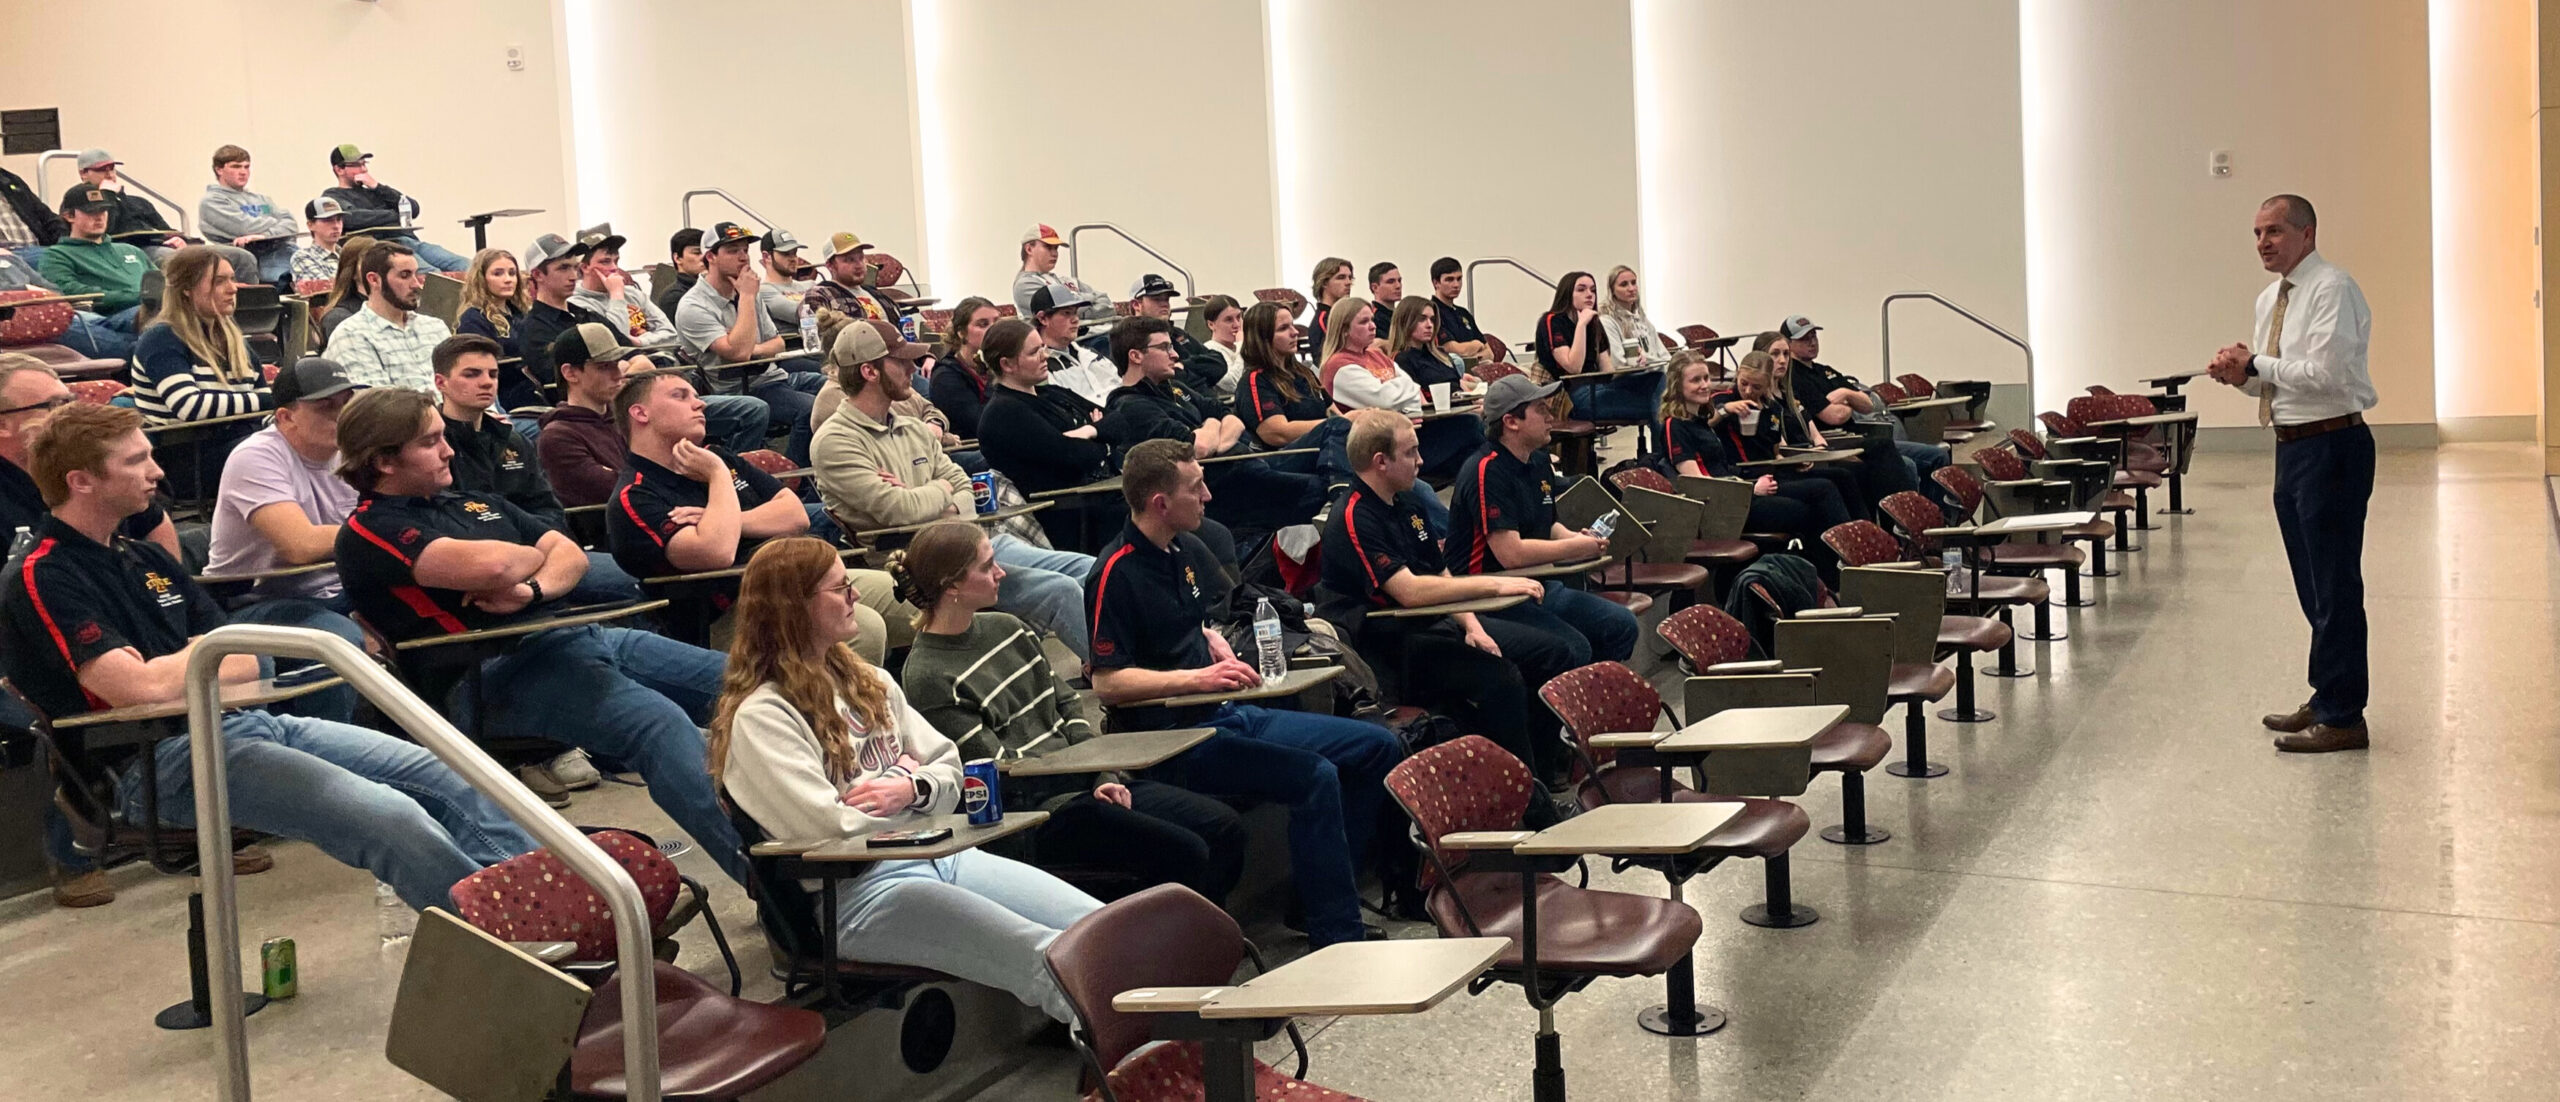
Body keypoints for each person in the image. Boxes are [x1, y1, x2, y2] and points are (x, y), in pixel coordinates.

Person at [2, 400, 537, 910]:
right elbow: (132, 689)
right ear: (81, 481)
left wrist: (188, 664)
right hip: (152, 763)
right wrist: (199, 661)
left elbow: (245, 658)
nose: (156, 471)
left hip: (244, 724)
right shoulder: (42, 574)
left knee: (449, 769)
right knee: (390, 816)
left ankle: (550, 900)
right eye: (137, 459)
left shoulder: (143, 556)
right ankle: (507, 936)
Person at [333, 386, 749, 880]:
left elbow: (569, 553)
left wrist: (529, 588)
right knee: (659, 728)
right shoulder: (368, 530)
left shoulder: (471, 503)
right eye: (430, 442)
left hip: (571, 634)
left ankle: (841, 836)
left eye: (444, 437)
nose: (448, 450)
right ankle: (783, 899)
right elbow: (496, 562)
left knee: (754, 681)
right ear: (383, 461)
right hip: (491, 672)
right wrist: (524, 558)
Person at [709, 536, 1103, 1021]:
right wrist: (911, 777)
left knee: (1098, 928)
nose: (855, 596)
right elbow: (829, 829)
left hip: (945, 855)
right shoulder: (763, 717)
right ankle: (1147, 1067)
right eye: (840, 589)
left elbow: (950, 768)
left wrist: (908, 787)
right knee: (1046, 956)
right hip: (860, 895)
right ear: (794, 608)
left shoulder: (870, 681)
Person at [1085, 440, 1402, 946]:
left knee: (1377, 745)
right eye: (1196, 488)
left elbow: (1202, 615)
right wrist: (1197, 679)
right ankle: (1335, 932)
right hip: (1170, 738)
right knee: (1315, 775)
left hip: (1225, 713)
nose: (1208, 495)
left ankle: (1313, 897)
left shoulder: (1188, 546)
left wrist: (1208, 636)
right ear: (1159, 503)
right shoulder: (1114, 572)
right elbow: (1108, 683)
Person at [891, 521, 1246, 903]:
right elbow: (995, 770)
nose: (1002, 572)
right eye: (987, 566)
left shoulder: (1008, 628)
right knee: (1185, 850)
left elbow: (1067, 705)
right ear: (953, 586)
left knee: (1224, 826)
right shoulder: (928, 673)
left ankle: (1196, 944)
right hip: (1040, 814)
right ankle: (1178, 952)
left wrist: (1100, 776)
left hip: (1085, 784)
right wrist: (1083, 785)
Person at [1314, 406, 1574, 802]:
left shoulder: (1409, 502)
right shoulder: (1353, 515)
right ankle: (1529, 803)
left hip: (1432, 626)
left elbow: (1442, 573)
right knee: (1500, 678)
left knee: (1551, 650)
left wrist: (1473, 626)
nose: (1422, 460)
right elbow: (1411, 592)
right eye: (1411, 452)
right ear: (1380, 462)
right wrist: (1491, 588)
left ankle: (1544, 770)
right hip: (1387, 647)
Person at [0, 358, 183, 907]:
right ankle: (77, 840)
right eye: (49, 406)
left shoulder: (102, 471)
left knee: (152, 666)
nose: (65, 413)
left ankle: (209, 813)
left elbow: (159, 539)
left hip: (102, 624)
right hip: (16, 642)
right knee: (58, 692)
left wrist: (160, 618)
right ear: (3, 423)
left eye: (68, 401)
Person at [810, 319, 1097, 660]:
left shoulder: (911, 429)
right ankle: (1122, 681)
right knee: (1059, 590)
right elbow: (900, 510)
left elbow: (965, 490)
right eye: (900, 362)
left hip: (970, 542)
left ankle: (1150, 661)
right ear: (870, 372)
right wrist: (942, 490)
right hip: (920, 563)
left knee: (1092, 569)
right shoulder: (834, 441)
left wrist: (933, 494)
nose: (913, 368)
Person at [2206, 193, 2376, 754]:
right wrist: (2241, 375)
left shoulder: (2333, 289)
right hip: (2293, 447)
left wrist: (2257, 363)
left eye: (2274, 231)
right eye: (2256, 233)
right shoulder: (2270, 299)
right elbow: (2278, 380)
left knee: (2335, 583)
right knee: (2313, 585)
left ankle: (2346, 715)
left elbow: (2325, 376)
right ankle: (2327, 694)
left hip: (2333, 444)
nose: (2263, 243)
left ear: (2307, 234)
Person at [603, 368, 912, 660]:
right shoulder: (636, 496)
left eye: (695, 395)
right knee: (866, 629)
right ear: (640, 413)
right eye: (680, 396)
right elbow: (717, 552)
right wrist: (718, 477)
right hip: (733, 613)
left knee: (914, 596)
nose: (699, 404)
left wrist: (722, 521)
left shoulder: (717, 455)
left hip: (797, 579)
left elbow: (795, 515)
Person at [1443, 377, 1640, 670]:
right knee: (1573, 647)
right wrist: (1574, 548)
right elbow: (1511, 554)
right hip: (1489, 594)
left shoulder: (1537, 462)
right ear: (1511, 421)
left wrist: (1577, 539)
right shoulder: (1486, 470)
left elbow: (1548, 526)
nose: (1551, 417)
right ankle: (1562, 705)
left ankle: (1586, 699)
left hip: (1535, 585)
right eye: (1540, 410)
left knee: (1622, 625)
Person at [525, 232, 769, 454]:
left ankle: (732, 478)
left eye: (574, 267)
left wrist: (626, 368)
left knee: (752, 410)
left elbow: (637, 354)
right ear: (538, 275)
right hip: (614, 411)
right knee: (744, 410)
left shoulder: (584, 313)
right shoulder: (534, 329)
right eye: (563, 268)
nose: (572, 275)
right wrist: (628, 368)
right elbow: (564, 386)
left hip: (647, 395)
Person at [1098, 316, 1327, 541]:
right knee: (1322, 489)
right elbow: (1198, 448)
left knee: (1335, 432)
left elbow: (1232, 419)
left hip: (1250, 462)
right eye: (1165, 347)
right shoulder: (1130, 406)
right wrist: (1213, 426)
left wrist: (1212, 429)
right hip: (1220, 486)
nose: (1175, 355)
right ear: (1136, 355)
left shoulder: (1175, 388)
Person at [1657, 351, 1846, 577]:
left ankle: (1831, 573)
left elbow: (1723, 470)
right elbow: (1697, 484)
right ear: (1678, 386)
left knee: (1824, 489)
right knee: (1804, 511)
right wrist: (1750, 488)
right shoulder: (1675, 425)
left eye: (1706, 378)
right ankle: (1827, 576)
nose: (1704, 385)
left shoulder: (1699, 421)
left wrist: (1752, 482)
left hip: (1737, 494)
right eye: (1695, 380)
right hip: (1720, 510)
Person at [673, 221, 827, 464]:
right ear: (710, 257)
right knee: (810, 409)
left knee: (836, 388)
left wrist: (751, 348)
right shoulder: (693, 306)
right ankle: (792, 482)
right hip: (740, 387)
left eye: (745, 250)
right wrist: (746, 297)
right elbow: (737, 353)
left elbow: (777, 343)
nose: (743, 257)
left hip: (773, 376)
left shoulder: (748, 292)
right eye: (733, 251)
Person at [974, 318, 1119, 549]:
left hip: (1097, 498)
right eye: (1034, 352)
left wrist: (1088, 431)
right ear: (1007, 364)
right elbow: (1073, 457)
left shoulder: (1051, 393)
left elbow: (1117, 419)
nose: (1046, 356)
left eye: (1043, 347)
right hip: (1065, 517)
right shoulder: (1003, 413)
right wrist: (1103, 441)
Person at [1777, 314, 1950, 509]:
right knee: (1906, 465)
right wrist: (1851, 401)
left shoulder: (1825, 371)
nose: (1812, 342)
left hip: (1861, 436)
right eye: (1804, 339)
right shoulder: (1796, 377)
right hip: (1839, 443)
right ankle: (1908, 523)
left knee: (1938, 455)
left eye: (1814, 336)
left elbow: (1868, 405)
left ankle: (1933, 517)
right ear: (1789, 344)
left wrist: (1844, 394)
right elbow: (1834, 416)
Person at [1320, 297, 1481, 482]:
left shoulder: (1376, 355)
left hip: (1408, 433)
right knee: (1471, 429)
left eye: (1372, 320)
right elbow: (1384, 399)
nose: (1373, 326)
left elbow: (1412, 391)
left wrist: (1398, 393)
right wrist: (1402, 391)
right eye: (1364, 322)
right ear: (1344, 329)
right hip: (1380, 448)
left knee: (1472, 445)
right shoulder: (1338, 365)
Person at [1710, 351, 1870, 520]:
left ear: (1767, 384)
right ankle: (1838, 542)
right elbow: (1705, 422)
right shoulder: (1723, 400)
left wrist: (1793, 462)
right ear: (1738, 375)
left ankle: (1864, 533)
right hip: (1749, 474)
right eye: (1744, 383)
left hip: (1774, 471)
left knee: (1844, 476)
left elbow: (1776, 452)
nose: (1748, 391)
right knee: (1824, 488)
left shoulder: (1773, 408)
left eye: (1756, 387)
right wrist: (1726, 410)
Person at [129, 245, 271, 426]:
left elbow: (265, 406)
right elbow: (189, 406)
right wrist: (271, 401)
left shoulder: (235, 340)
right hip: (189, 447)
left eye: (232, 279)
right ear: (187, 289)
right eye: (219, 281)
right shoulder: (161, 339)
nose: (233, 288)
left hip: (239, 440)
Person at [1534, 270, 1659, 436]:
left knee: (1657, 378)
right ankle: (1664, 456)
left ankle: (1662, 455)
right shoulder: (1552, 320)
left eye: (1593, 290)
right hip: (1573, 396)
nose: (1589, 295)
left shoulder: (1595, 323)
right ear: (1567, 293)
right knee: (1660, 408)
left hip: (1600, 388)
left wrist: (1635, 365)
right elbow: (1573, 367)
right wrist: (1581, 325)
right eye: (1581, 289)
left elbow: (1607, 371)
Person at [535, 323, 647, 507]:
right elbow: (616, 490)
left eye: (617, 364)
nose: (618, 375)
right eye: (604, 367)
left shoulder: (626, 419)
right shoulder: (558, 437)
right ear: (570, 373)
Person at [324, 242, 451, 392]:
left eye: (416, 274)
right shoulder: (350, 335)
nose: (415, 284)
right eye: (405, 275)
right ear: (374, 280)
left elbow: (462, 386)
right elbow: (380, 407)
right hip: (409, 415)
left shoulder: (435, 327)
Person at [320, 143, 467, 271]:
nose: (364, 169)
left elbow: (412, 209)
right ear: (339, 169)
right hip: (383, 248)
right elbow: (352, 218)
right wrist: (394, 215)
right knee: (431, 274)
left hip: (408, 240)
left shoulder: (376, 191)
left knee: (465, 265)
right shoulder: (333, 195)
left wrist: (377, 186)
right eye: (357, 165)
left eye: (364, 164)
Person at [35, 189, 148, 333]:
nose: (99, 217)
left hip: (153, 310)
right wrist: (137, 297)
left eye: (103, 211)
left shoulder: (130, 250)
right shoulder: (56, 255)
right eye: (91, 212)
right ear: (69, 216)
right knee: (161, 318)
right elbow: (70, 292)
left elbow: (161, 281)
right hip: (110, 318)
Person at [0, 246, 131, 361]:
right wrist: (26, 289)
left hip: (65, 312)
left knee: (133, 318)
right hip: (21, 321)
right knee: (132, 345)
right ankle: (142, 351)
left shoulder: (10, 259)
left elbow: (54, 291)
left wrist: (41, 292)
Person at [197, 146, 300, 284]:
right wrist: (275, 224)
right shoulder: (212, 201)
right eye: (236, 167)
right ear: (219, 169)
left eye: (246, 167)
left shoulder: (262, 199)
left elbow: (291, 224)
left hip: (279, 252)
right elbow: (244, 227)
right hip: (243, 258)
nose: (243, 172)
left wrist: (264, 235)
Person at [59, 150, 185, 259]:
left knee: (198, 253)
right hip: (116, 251)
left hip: (152, 244)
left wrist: (178, 239)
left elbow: (164, 229)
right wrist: (107, 195)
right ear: (83, 174)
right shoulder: (75, 201)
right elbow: (105, 232)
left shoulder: (138, 201)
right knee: (169, 257)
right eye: (101, 170)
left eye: (112, 169)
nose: (109, 174)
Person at [925, 296, 1001, 438]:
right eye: (983, 324)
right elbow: (983, 424)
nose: (994, 330)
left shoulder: (1006, 360)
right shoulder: (945, 376)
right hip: (970, 448)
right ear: (961, 332)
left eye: (996, 322)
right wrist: (998, 373)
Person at [1031, 284, 1117, 407]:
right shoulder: (1041, 367)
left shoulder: (1090, 354)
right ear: (1043, 318)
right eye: (1066, 313)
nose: (1075, 319)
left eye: (1075, 313)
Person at [1011, 223, 1111, 320]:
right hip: (1073, 336)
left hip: (1096, 333)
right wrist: (1092, 300)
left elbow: (1108, 304)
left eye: (1056, 248)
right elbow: (1060, 314)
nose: (1055, 253)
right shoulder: (1025, 284)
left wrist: (1078, 304)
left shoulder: (1067, 281)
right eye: (1048, 247)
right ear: (1029, 249)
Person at [801, 231, 901, 325]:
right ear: (830, 265)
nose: (859, 265)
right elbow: (821, 335)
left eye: (861, 258)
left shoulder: (876, 294)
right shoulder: (820, 295)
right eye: (850, 260)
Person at [453, 248, 529, 363]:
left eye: (512, 273)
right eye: (497, 274)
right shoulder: (473, 319)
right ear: (482, 279)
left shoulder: (520, 312)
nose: (508, 279)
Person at [1598, 265, 1672, 372]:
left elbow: (1664, 355)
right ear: (1612, 290)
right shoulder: (1607, 321)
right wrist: (1656, 365)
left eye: (1633, 283)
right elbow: (1619, 363)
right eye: (1624, 285)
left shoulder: (1641, 318)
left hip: (1655, 372)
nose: (1632, 289)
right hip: (1631, 378)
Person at [1427, 257, 1492, 366]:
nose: (1456, 285)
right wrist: (1476, 345)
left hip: (1476, 369)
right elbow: (1452, 349)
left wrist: (1472, 357)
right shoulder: (1431, 312)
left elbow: (1489, 353)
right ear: (1436, 283)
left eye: (1459, 279)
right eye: (1449, 279)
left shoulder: (1464, 313)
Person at [313, 236, 378, 345]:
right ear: (352, 272)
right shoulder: (339, 318)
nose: (379, 267)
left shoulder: (394, 310)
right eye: (369, 261)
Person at [0, 163, 65, 266]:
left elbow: (48, 218)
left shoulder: (10, 180)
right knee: (58, 259)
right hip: (8, 255)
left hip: (37, 250)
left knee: (79, 255)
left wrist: (66, 242)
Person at [756, 229, 817, 328]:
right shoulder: (762, 291)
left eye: (794, 253)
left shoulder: (811, 284)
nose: (793, 258)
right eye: (785, 253)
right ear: (766, 256)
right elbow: (803, 315)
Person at [1196, 294, 1247, 397]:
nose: (1236, 325)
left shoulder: (1241, 347)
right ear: (1211, 324)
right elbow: (1233, 384)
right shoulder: (1208, 351)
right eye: (1229, 320)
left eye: (1238, 317)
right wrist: (1242, 344)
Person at [290, 197, 347, 285]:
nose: (336, 225)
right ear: (310, 225)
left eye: (339, 220)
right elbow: (326, 290)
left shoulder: (348, 254)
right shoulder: (303, 257)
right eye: (328, 220)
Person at [1302, 256, 1353, 350]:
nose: (1348, 282)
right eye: (1341, 277)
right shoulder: (1323, 321)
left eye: (1350, 277)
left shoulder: (1346, 315)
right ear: (1324, 283)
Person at [654, 228, 703, 319]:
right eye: (697, 253)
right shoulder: (673, 297)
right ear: (677, 258)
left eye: (706, 252)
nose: (704, 257)